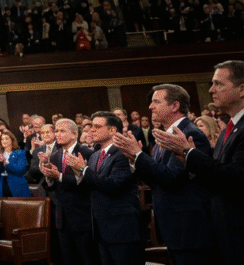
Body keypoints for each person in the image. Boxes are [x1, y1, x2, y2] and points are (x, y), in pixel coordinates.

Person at [111, 84, 214, 265]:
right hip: (174, 226)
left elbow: (172, 178)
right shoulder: (166, 133)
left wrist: (139, 155)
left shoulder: (189, 133)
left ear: (175, 106)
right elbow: (157, 179)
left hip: (189, 227)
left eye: (156, 102)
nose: (150, 107)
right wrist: (134, 159)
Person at [154, 60, 244, 265]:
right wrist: (187, 159)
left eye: (218, 83)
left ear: (241, 89)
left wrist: (189, 153)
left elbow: (236, 176)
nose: (211, 90)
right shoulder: (230, 129)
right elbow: (216, 180)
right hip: (225, 230)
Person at [68, 111, 144, 265]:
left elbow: (112, 185)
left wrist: (84, 170)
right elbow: (92, 185)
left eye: (97, 126)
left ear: (112, 130)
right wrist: (79, 174)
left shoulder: (123, 153)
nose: (91, 130)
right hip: (101, 228)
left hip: (122, 228)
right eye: (92, 126)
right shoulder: (95, 155)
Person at [39, 118, 96, 265]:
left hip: (82, 216)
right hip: (62, 217)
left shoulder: (87, 153)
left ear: (74, 134)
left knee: (87, 258)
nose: (57, 134)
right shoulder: (55, 155)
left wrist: (59, 176)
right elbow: (53, 187)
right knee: (68, 259)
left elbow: (87, 184)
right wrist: (48, 176)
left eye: (62, 131)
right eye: (56, 131)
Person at [0, 130, 30, 197]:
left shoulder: (20, 153)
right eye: (2, 139)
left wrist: (5, 162)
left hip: (17, 187)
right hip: (1, 186)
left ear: (12, 140)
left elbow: (20, 170)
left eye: (6, 139)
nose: (4, 141)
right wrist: (0, 163)